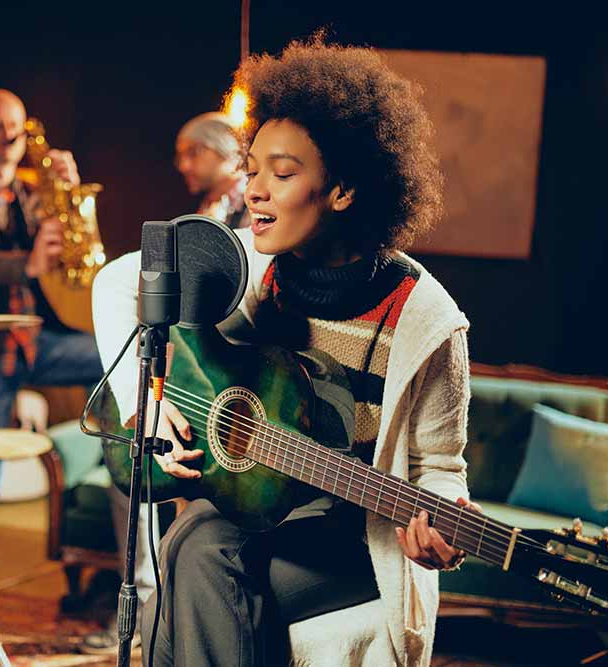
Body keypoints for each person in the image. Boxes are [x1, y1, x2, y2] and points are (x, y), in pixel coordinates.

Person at [92, 33, 480, 666]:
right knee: (198, 542)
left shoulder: (426, 324)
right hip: (257, 520)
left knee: (193, 545)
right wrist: (143, 408)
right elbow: (116, 282)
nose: (256, 190)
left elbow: (441, 469)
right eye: (253, 169)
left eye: (284, 173)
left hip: (356, 545)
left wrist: (447, 534)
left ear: (344, 191)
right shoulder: (245, 263)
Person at [0, 88, 158, 653]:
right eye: (0, 125)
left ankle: (127, 453)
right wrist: (25, 262)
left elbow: (75, 253)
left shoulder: (31, 190)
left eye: (18, 125)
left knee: (124, 348)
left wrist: (68, 192)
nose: (12, 135)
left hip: (35, 342)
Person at [174, 111, 249, 229]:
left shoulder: (254, 200)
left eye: (194, 152)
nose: (184, 166)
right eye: (180, 157)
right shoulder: (210, 206)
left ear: (226, 147)